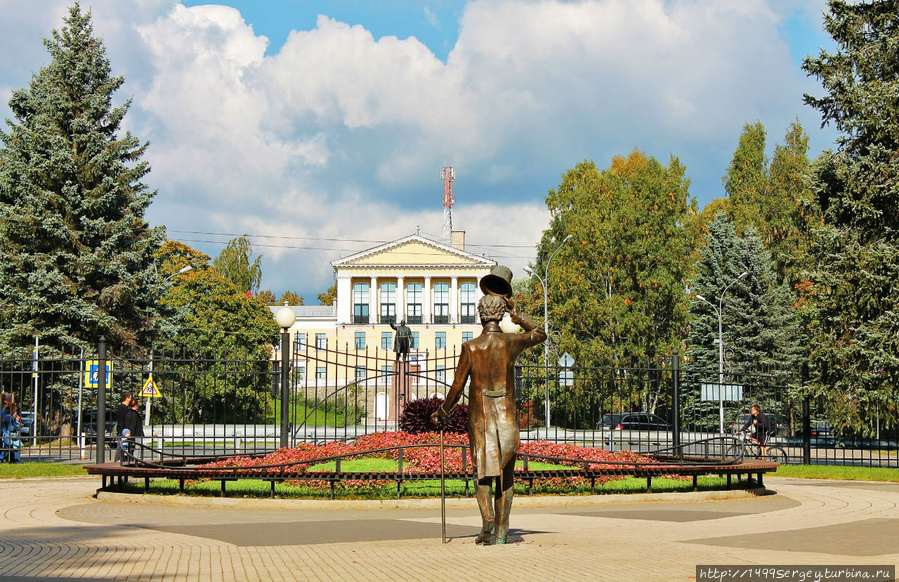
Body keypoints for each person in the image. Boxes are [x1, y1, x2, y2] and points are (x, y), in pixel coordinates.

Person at [431, 268, 546, 545]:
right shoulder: (510, 342)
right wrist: (518, 316)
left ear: (481, 314)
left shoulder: (471, 348)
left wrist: (442, 413)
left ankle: (487, 523)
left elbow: (457, 389)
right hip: (506, 416)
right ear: (501, 313)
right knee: (506, 474)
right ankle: (503, 531)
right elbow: (540, 333)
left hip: (480, 417)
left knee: (482, 472)